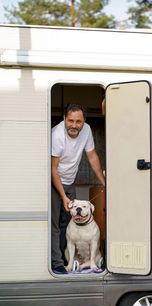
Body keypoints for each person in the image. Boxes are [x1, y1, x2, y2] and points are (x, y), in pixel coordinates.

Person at [51, 103, 105, 274]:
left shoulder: (86, 130)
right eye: (71, 121)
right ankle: (56, 263)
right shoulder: (57, 135)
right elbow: (53, 169)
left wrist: (104, 182)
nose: (74, 125)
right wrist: (64, 196)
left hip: (70, 181)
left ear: (84, 122)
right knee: (54, 224)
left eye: (78, 122)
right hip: (53, 181)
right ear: (64, 119)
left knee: (67, 222)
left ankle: (69, 260)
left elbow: (92, 156)